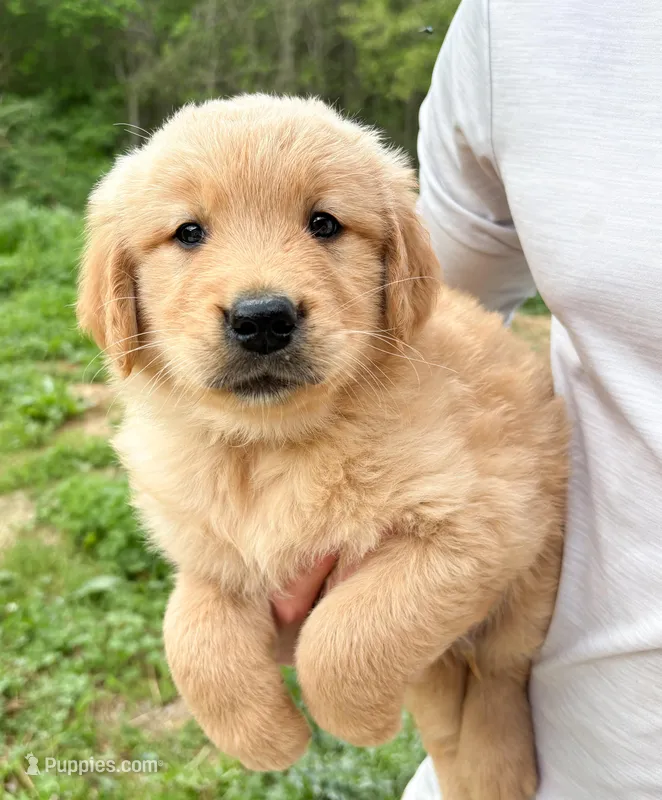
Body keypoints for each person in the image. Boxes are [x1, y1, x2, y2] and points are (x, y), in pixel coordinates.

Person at [273, 0, 662, 797]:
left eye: (320, 223)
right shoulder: (522, 21)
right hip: (585, 720)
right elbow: (423, 309)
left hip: (524, 616)